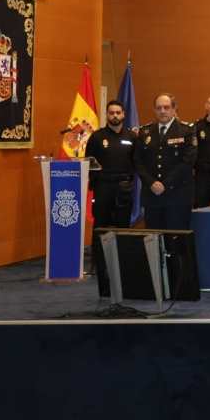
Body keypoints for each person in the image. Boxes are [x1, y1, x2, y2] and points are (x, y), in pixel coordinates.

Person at [85, 100, 137, 296]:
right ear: (107, 115)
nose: (115, 116)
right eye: (111, 113)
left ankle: (123, 263)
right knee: (101, 225)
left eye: (118, 112)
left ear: (123, 114)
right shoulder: (97, 137)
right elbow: (89, 162)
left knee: (123, 226)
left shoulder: (132, 137)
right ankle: (98, 265)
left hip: (124, 187)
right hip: (103, 187)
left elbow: (137, 161)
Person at [134, 93, 197, 230]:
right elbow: (138, 161)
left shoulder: (186, 130)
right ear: (154, 110)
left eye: (166, 107)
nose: (162, 111)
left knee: (176, 239)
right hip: (152, 195)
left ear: (174, 109)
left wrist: (165, 184)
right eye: (159, 108)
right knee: (153, 239)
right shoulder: (145, 132)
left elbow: (188, 161)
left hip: (177, 195)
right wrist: (151, 182)